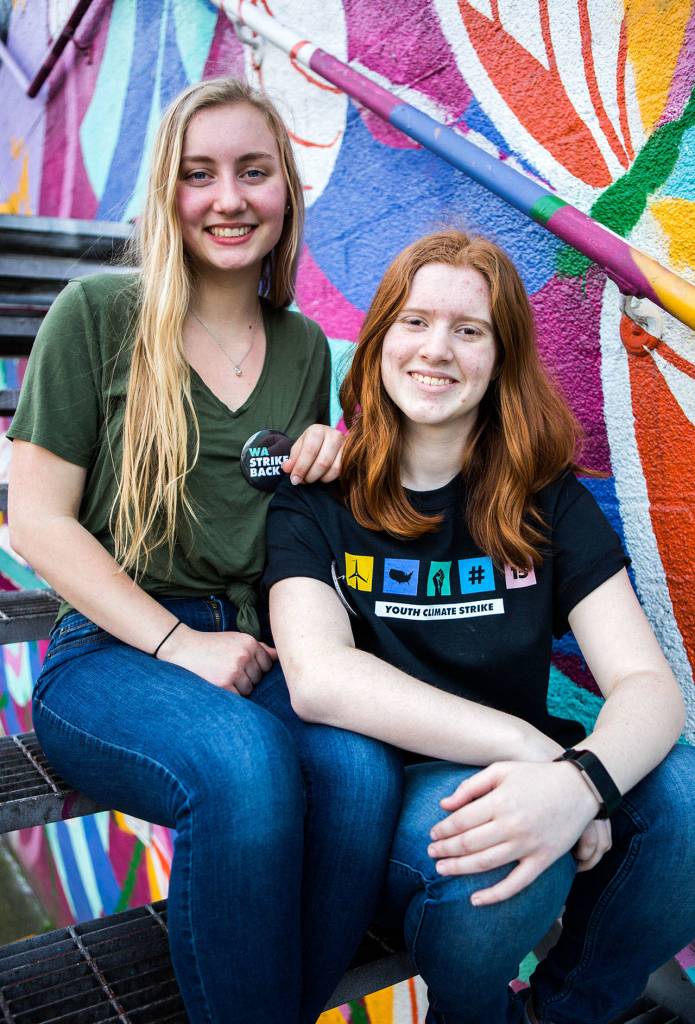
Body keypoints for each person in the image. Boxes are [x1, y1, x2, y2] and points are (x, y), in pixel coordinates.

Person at [7, 78, 402, 1024]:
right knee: (244, 768)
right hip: (113, 652)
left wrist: (333, 462)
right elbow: (37, 524)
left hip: (260, 642)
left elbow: (276, 514)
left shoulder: (305, 347)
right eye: (200, 174)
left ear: (285, 193)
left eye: (253, 172)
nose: (228, 198)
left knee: (360, 771)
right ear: (168, 191)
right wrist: (178, 646)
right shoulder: (98, 314)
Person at [264, 229, 695, 1024]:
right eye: (415, 321)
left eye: (469, 330)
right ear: (380, 340)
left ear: (500, 359)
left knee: (687, 796)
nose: (437, 349)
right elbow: (319, 678)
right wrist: (540, 755)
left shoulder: (547, 500)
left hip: (529, 766)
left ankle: (569, 1012)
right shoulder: (315, 495)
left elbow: (645, 686)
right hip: (402, 788)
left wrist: (580, 783)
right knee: (505, 866)